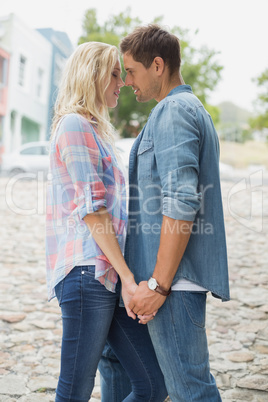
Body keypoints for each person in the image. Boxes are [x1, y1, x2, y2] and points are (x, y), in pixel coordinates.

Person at [100, 25, 230, 401]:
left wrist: (158, 285)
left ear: (158, 65)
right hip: (156, 282)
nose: (126, 82)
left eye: (131, 71)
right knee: (123, 367)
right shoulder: (181, 109)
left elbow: (181, 202)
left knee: (191, 389)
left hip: (171, 285)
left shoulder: (173, 112)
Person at [45, 41, 167, 402]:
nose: (122, 81)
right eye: (114, 74)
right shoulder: (73, 125)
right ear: (91, 76)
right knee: (75, 390)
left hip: (105, 275)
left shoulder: (94, 132)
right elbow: (92, 210)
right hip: (87, 272)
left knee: (152, 383)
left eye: (123, 73)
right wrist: (129, 279)